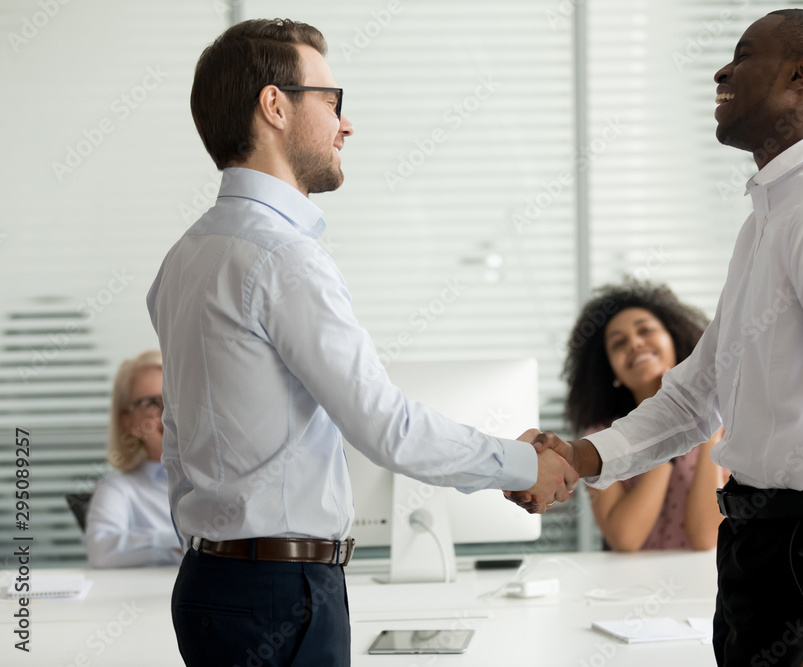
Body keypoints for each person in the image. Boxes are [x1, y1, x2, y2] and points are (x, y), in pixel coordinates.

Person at [146, 18, 576, 667]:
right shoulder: (283, 257)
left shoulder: (182, 259)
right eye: (332, 100)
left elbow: (178, 438)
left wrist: (213, 548)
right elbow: (385, 426)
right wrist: (523, 466)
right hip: (280, 592)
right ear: (275, 105)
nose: (347, 124)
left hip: (209, 586)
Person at [528, 9, 803, 667]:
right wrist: (581, 455)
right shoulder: (767, 220)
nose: (721, 71)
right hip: (753, 542)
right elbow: (696, 397)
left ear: (800, 74)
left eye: (743, 55)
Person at [564, 279, 726, 552]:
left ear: (673, 340)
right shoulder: (599, 439)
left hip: (703, 584)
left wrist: (711, 423)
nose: (635, 344)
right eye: (619, 343)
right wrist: (663, 428)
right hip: (633, 587)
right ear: (613, 372)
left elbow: (706, 538)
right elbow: (625, 539)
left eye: (646, 330)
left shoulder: (724, 420)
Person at [84, 350, 182, 568]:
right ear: (130, 423)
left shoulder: (223, 480)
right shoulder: (118, 489)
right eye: (153, 402)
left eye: (175, 397)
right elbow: (100, 551)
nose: (168, 412)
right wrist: (184, 542)